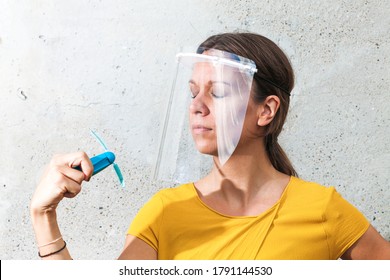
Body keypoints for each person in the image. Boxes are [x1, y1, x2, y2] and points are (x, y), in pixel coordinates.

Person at [30, 32, 390, 260]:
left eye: (217, 91)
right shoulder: (164, 212)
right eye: (192, 92)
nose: (196, 105)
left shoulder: (323, 208)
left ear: (266, 110)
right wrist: (43, 217)